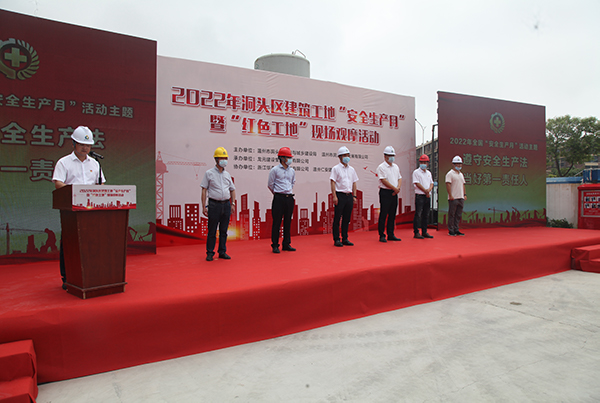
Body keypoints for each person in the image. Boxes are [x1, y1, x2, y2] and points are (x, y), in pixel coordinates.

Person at [52, 126, 106, 289]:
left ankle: (92, 274)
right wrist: (77, 193)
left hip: (92, 210)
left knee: (93, 241)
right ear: (73, 144)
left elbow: (101, 184)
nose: (85, 148)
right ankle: (67, 277)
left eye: (88, 145)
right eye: (82, 144)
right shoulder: (64, 162)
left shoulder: (95, 163)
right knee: (70, 243)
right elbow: (58, 183)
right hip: (72, 210)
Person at [200, 147, 236, 261]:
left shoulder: (227, 175)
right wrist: (203, 206)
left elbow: (232, 189)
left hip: (226, 204)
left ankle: (222, 251)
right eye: (221, 158)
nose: (224, 160)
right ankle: (210, 252)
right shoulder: (209, 173)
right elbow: (204, 190)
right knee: (212, 230)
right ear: (216, 159)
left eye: (225, 158)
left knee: (224, 231)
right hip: (214, 205)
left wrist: (233, 203)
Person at [268, 147, 296, 253]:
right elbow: (270, 184)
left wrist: (287, 192)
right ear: (282, 158)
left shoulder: (292, 171)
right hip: (279, 198)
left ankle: (286, 244)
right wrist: (278, 193)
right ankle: (275, 245)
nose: (290, 159)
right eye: (288, 157)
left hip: (289, 198)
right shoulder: (274, 170)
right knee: (277, 222)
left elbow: (292, 183)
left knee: (288, 222)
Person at [330, 146, 359, 247]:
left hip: (349, 196)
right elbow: (332, 182)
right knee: (337, 218)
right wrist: (334, 196)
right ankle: (336, 239)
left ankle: (345, 238)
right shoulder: (336, 168)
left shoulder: (352, 169)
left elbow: (354, 182)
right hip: (340, 195)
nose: (347, 157)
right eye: (345, 155)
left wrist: (354, 196)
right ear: (340, 157)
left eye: (348, 155)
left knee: (347, 219)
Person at [377, 146, 402, 242]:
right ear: (385, 156)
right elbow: (383, 180)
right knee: (383, 214)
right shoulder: (381, 167)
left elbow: (399, 178)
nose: (392, 157)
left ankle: (390, 234)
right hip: (385, 192)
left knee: (392, 214)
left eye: (393, 155)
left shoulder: (396, 166)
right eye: (390, 155)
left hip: (394, 193)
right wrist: (394, 188)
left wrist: (398, 188)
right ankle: (381, 235)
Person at [412, 154, 434, 239]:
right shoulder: (416, 172)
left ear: (428, 163)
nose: (423, 164)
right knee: (418, 214)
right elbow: (417, 183)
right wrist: (425, 191)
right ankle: (416, 232)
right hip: (420, 196)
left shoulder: (429, 173)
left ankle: (424, 231)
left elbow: (431, 183)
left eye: (425, 162)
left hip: (427, 196)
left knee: (426, 214)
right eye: (422, 162)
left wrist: (429, 190)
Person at [445, 155, 467, 236]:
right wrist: (450, 195)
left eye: (460, 164)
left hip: (461, 197)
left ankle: (456, 229)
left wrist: (464, 194)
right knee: (452, 214)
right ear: (453, 164)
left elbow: (463, 185)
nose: (459, 165)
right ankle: (451, 230)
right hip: (453, 198)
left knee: (458, 215)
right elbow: (448, 184)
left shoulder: (461, 174)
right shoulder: (450, 174)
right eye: (457, 164)